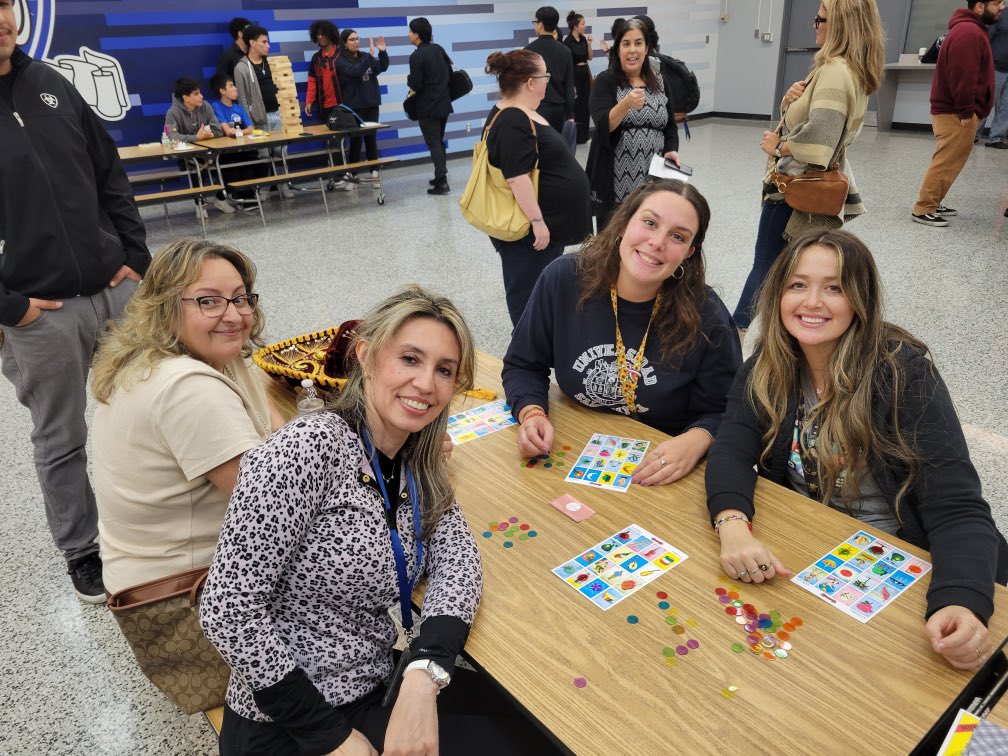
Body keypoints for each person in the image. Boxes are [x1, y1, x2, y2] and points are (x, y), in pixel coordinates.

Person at [200, 286, 556, 755]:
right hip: (291, 723)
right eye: (410, 359)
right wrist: (331, 738)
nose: (426, 384)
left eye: (443, 370)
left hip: (374, 681)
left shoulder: (415, 456)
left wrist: (423, 672)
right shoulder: (308, 448)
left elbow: (458, 560)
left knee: (533, 724)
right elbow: (227, 611)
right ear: (366, 358)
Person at [705, 228, 1008, 670]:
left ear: (860, 301)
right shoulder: (768, 364)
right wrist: (732, 523)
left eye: (834, 288)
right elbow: (732, 447)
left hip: (904, 558)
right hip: (818, 546)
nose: (812, 302)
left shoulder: (903, 375)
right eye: (798, 285)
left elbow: (957, 507)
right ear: (777, 295)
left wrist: (960, 600)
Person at [0, 15, 150, 603]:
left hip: (114, 291)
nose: (4, 19)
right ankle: (83, 550)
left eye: (7, 3)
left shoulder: (52, 83)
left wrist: (133, 254)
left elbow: (107, 169)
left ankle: (151, 524)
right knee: (61, 436)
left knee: (150, 407)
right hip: (40, 311)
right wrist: (11, 307)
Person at [503, 179, 741, 486]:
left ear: (688, 253)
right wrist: (532, 412)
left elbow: (731, 410)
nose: (657, 242)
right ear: (624, 223)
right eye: (649, 222)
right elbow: (523, 363)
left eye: (677, 236)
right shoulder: (563, 279)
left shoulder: (708, 316)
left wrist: (698, 439)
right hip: (574, 442)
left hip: (661, 469)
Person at [91, 240, 281, 595]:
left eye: (240, 298)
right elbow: (274, 508)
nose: (233, 315)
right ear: (165, 308)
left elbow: (278, 432)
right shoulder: (187, 389)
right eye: (208, 301)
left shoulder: (182, 354)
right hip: (186, 593)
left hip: (157, 571)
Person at [733, 0, 884, 339]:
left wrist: (779, 147)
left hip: (794, 188)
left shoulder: (834, 70)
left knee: (767, 266)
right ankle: (776, 336)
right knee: (789, 269)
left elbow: (820, 139)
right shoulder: (853, 72)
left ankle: (734, 332)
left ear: (841, 25)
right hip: (809, 190)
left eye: (821, 19)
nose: (814, 25)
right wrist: (790, 103)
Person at [482, 49, 592, 327]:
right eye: (545, 75)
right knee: (526, 293)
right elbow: (516, 177)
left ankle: (541, 336)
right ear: (531, 82)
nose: (549, 81)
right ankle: (525, 348)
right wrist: (537, 221)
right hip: (529, 233)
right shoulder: (512, 119)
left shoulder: (522, 113)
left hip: (543, 228)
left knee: (540, 288)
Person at [912, 0, 1001, 226]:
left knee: (950, 160)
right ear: (980, 6)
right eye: (997, 3)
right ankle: (924, 208)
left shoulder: (970, 29)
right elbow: (963, 77)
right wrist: (966, 113)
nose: (1002, 7)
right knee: (946, 161)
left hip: (957, 112)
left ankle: (934, 200)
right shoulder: (969, 32)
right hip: (956, 113)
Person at [585, 17, 680, 230]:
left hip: (652, 178)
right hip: (614, 181)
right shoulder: (605, 81)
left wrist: (671, 150)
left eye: (638, 43)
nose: (632, 50)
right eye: (626, 44)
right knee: (611, 240)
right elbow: (602, 126)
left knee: (646, 233)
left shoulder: (659, 81)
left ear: (647, 48)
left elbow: (670, 125)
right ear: (617, 49)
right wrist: (625, 104)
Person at [234, 23, 295, 200]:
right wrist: (250, 123)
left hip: (278, 114)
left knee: (281, 153)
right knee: (263, 156)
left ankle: (284, 184)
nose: (268, 45)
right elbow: (242, 99)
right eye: (264, 42)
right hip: (259, 119)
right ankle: (264, 189)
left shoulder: (271, 63)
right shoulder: (242, 67)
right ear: (252, 43)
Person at [165, 77, 232, 217]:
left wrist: (208, 135)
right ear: (186, 98)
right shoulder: (172, 113)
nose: (201, 96)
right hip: (188, 156)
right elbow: (173, 138)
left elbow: (218, 130)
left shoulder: (206, 106)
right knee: (195, 168)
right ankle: (199, 204)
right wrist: (196, 138)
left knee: (228, 162)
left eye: (200, 93)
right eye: (196, 94)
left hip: (210, 152)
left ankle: (220, 199)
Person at [209, 73, 272, 209]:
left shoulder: (238, 107)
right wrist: (240, 132)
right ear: (222, 91)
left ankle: (249, 194)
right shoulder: (216, 106)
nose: (236, 88)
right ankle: (237, 197)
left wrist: (239, 132)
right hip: (228, 154)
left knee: (262, 166)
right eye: (231, 86)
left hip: (245, 149)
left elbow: (250, 128)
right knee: (238, 173)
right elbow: (227, 131)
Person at [408, 17, 453, 195]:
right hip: (443, 103)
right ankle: (439, 175)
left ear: (417, 35)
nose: (409, 34)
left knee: (434, 143)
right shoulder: (438, 49)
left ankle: (442, 182)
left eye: (411, 31)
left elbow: (416, 84)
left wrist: (408, 79)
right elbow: (450, 73)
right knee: (438, 142)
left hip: (427, 106)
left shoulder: (416, 55)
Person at [337, 29, 389, 176]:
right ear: (345, 43)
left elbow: (382, 67)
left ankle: (374, 171)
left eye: (357, 38)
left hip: (371, 104)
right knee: (356, 140)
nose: (357, 41)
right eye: (352, 39)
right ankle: (353, 173)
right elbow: (356, 71)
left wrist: (382, 52)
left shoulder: (365, 56)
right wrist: (370, 57)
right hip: (354, 107)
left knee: (371, 138)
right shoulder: (340, 61)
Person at [525, 6, 575, 133]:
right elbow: (569, 85)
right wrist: (571, 115)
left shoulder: (529, 51)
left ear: (540, 24)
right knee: (556, 147)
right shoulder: (565, 51)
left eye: (535, 22)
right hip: (560, 109)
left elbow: (525, 83)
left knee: (538, 147)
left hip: (537, 108)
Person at [563, 11, 593, 143]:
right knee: (576, 105)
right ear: (575, 26)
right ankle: (576, 136)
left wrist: (590, 44)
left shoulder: (583, 39)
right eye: (583, 23)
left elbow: (590, 57)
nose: (585, 26)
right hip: (574, 74)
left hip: (585, 72)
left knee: (586, 104)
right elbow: (566, 64)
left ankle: (584, 136)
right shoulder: (567, 41)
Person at [986, 9, 1008, 148]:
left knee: (1006, 107)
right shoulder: (1000, 15)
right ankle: (972, 135)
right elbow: (987, 38)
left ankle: (996, 139)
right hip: (995, 67)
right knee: (986, 102)